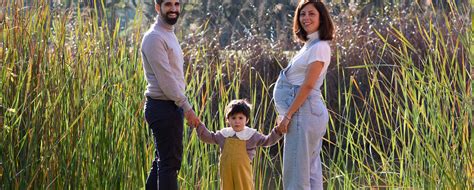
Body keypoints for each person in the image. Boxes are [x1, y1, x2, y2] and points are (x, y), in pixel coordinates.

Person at [273, 0, 334, 189]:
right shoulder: (311, 44)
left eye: (311, 14)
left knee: (297, 178)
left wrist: (288, 115)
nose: (305, 18)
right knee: (310, 173)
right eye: (302, 14)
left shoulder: (319, 47)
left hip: (303, 114)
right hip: (302, 113)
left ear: (321, 18)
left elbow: (307, 85)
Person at [140, 0, 200, 189]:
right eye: (168, 4)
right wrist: (186, 106)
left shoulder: (167, 34)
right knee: (169, 164)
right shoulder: (154, 38)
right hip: (163, 107)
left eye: (176, 4)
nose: (173, 9)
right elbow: (166, 80)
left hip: (168, 106)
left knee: (162, 162)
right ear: (158, 8)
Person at [195, 99, 283, 190]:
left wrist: (278, 130)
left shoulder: (251, 135)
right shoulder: (223, 135)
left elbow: (267, 140)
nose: (237, 121)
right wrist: (198, 126)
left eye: (240, 118)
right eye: (233, 118)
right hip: (226, 174)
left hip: (243, 175)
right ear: (228, 119)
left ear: (247, 119)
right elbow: (209, 137)